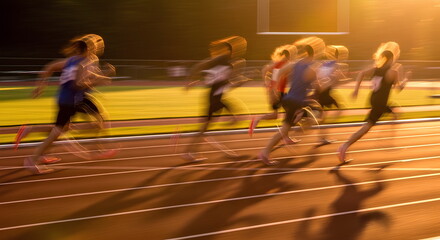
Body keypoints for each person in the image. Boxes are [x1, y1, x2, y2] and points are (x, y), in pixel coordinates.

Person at [22, 34, 115, 174]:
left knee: (62, 129)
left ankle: (36, 147)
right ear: (88, 49)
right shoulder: (82, 64)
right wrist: (99, 80)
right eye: (93, 48)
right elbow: (78, 84)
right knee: (57, 132)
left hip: (62, 99)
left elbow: (54, 69)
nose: (94, 50)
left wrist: (40, 87)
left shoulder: (72, 60)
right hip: (69, 101)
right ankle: (32, 160)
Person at [338, 42, 411, 163]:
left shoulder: (376, 69)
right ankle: (345, 146)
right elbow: (399, 89)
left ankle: (386, 140)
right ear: (391, 59)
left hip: (374, 99)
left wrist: (356, 90)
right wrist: (407, 78)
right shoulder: (393, 73)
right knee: (366, 128)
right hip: (380, 103)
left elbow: (361, 73)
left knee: (395, 113)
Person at [258, 37, 325, 165]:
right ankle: (298, 124)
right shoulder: (312, 69)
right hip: (298, 101)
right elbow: (318, 88)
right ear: (313, 54)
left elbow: (279, 72)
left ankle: (265, 153)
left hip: (288, 99)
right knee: (318, 113)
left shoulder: (295, 64)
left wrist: (274, 88)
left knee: (284, 129)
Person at [182, 36, 249, 161]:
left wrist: (190, 81)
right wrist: (240, 82)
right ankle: (224, 145)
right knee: (238, 117)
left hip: (211, 97)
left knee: (205, 128)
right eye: (232, 50)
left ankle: (189, 152)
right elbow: (227, 85)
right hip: (217, 98)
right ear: (229, 51)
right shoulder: (228, 65)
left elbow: (198, 67)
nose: (233, 53)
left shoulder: (214, 62)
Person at [249, 44, 297, 137]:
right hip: (278, 92)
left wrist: (265, 82)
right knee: (290, 114)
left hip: (275, 91)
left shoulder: (277, 64)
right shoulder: (286, 64)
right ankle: (285, 136)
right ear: (288, 56)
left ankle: (257, 120)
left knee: (275, 115)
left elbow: (264, 69)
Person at [314, 45, 351, 147]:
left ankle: (322, 137)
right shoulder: (335, 65)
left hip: (321, 92)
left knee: (322, 116)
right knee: (339, 109)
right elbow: (336, 80)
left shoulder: (322, 64)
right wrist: (343, 79)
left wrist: (324, 81)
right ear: (337, 56)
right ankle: (323, 130)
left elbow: (318, 76)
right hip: (325, 92)